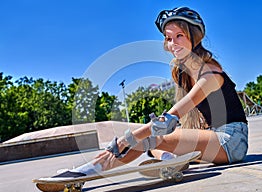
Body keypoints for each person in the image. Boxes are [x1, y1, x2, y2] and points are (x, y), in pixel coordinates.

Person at [54, 6, 248, 179]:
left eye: (180, 36)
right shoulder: (182, 74)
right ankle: (170, 160)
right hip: (211, 136)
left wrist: (125, 140)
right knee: (149, 143)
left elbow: (170, 119)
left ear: (194, 36)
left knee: (147, 137)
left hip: (231, 141)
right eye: (169, 39)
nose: (174, 44)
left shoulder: (210, 73)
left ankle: (92, 168)